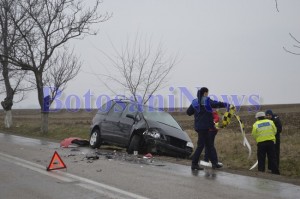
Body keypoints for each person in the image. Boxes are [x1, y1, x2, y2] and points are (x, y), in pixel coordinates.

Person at [187, 87, 229, 170]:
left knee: (209, 145)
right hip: (205, 127)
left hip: (199, 127)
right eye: (207, 93)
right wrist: (227, 104)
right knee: (201, 146)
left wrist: (198, 112)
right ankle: (194, 163)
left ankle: (214, 163)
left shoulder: (195, 101)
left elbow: (188, 112)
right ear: (205, 93)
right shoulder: (206, 100)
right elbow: (216, 104)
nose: (207, 94)